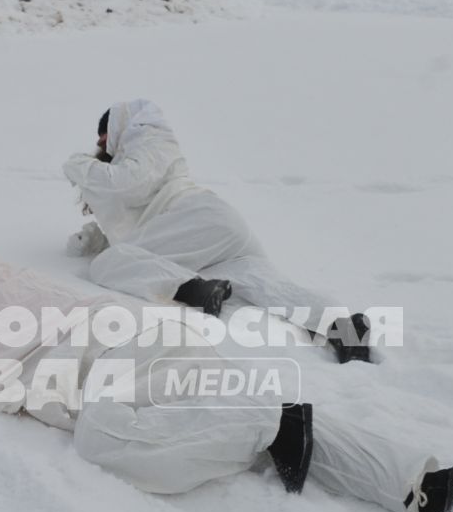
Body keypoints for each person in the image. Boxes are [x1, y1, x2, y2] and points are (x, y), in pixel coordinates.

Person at [0, 218, 453, 512]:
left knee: (106, 440)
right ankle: (425, 483)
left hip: (124, 363)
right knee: (260, 424)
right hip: (157, 341)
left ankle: (270, 425)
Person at [63, 99, 374, 363]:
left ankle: (190, 288)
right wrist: (94, 237)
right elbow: (138, 220)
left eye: (104, 138)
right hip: (216, 230)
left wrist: (77, 164)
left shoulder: (147, 135)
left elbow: (129, 185)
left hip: (194, 220)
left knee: (109, 264)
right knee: (266, 284)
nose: (102, 146)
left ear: (119, 125)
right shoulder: (148, 149)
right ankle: (342, 327)